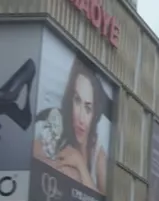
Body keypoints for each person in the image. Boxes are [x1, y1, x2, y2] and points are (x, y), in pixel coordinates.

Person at [32, 55, 109, 193]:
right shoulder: (56, 124)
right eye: (77, 101)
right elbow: (32, 152)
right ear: (70, 99)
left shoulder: (98, 155)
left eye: (88, 108)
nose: (81, 118)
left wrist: (80, 165)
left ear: (95, 114)